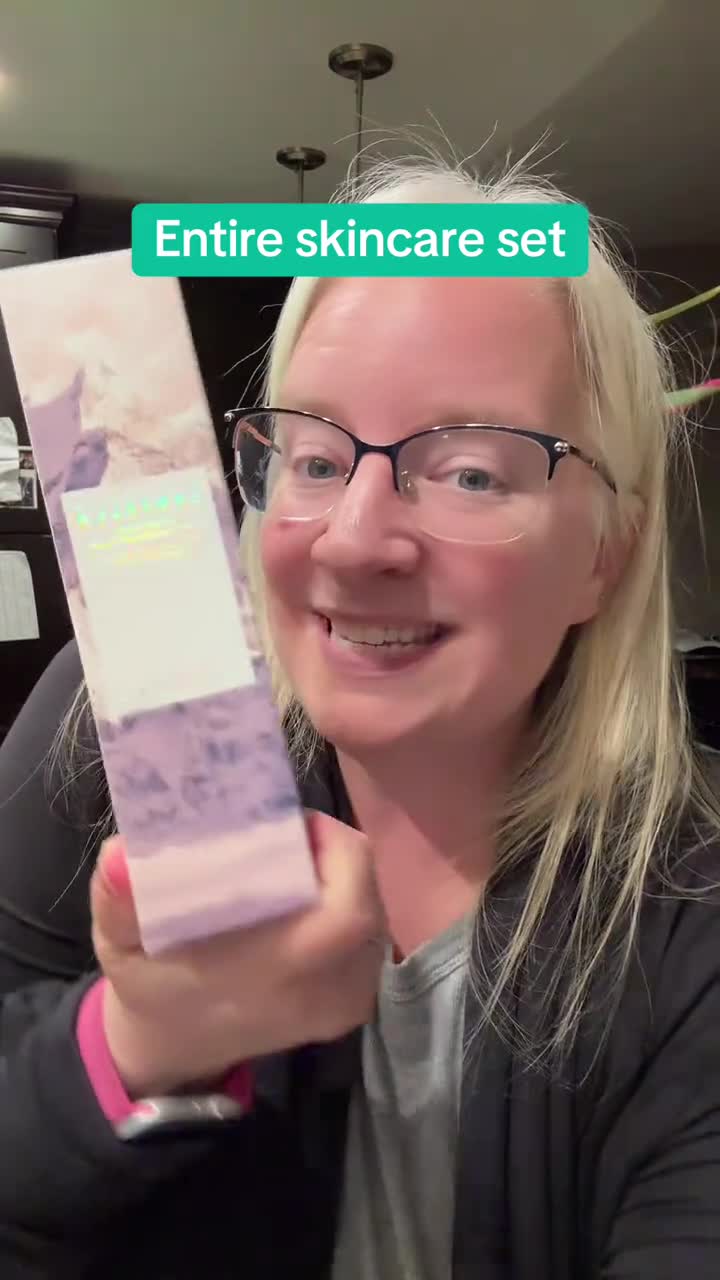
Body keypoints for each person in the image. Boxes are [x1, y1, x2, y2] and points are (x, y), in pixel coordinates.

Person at [1, 154, 720, 1280]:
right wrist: (145, 1041)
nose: (351, 539)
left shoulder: (690, 916)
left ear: (605, 555)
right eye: (317, 457)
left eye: (472, 473)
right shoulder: (100, 736)